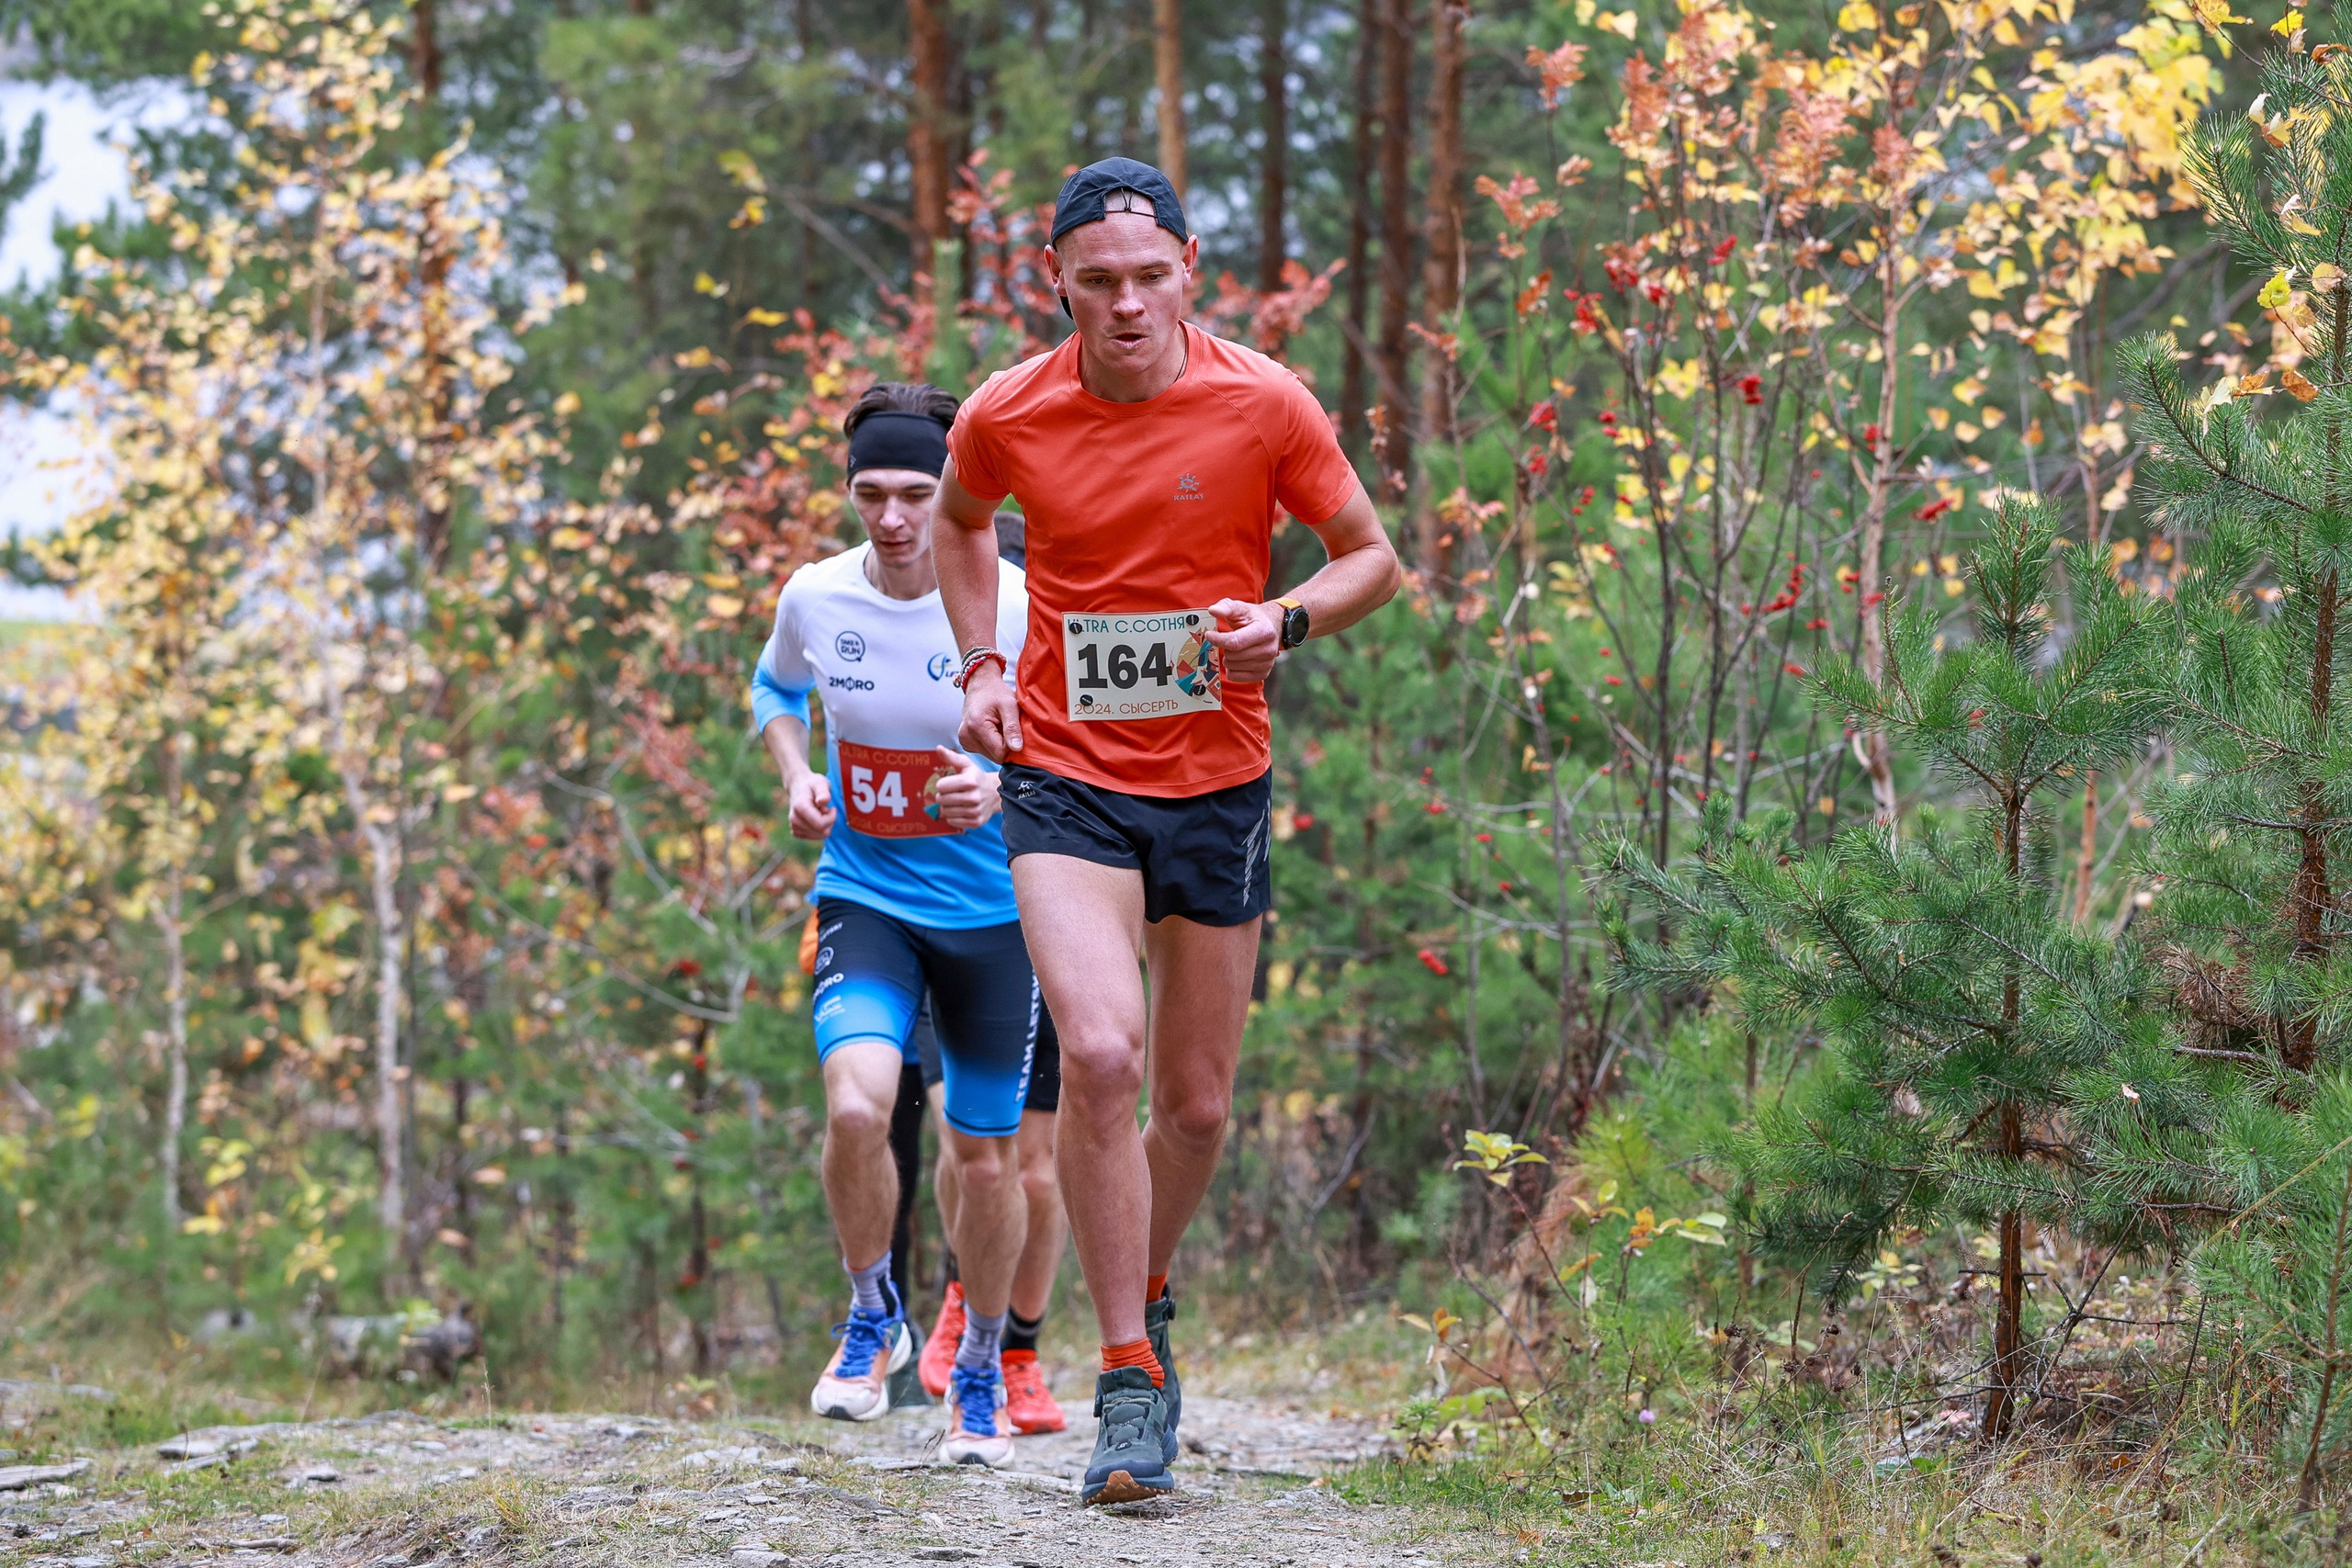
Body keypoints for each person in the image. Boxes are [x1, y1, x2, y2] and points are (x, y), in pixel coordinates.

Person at [931, 158, 1401, 1504]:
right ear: (1060, 285)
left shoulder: (1264, 400)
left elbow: (1373, 554)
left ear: (1191, 270)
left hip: (1216, 778)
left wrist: (1287, 619)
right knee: (1101, 1049)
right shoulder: (1008, 410)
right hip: (1066, 770)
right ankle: (1125, 1372)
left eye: (1150, 277)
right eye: (1099, 283)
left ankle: (1147, 1284)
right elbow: (965, 523)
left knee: (1194, 1104)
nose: (1127, 303)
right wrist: (979, 662)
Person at [753, 380, 1038, 1467]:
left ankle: (977, 1376)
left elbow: (1072, 749)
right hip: (865, 894)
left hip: (993, 913)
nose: (891, 517)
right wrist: (794, 775)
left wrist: (998, 789)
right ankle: (873, 1308)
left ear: (953, 490)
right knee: (855, 1107)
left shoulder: (1013, 603)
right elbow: (775, 690)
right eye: (869, 493)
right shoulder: (817, 597)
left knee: (982, 1153)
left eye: (916, 492)